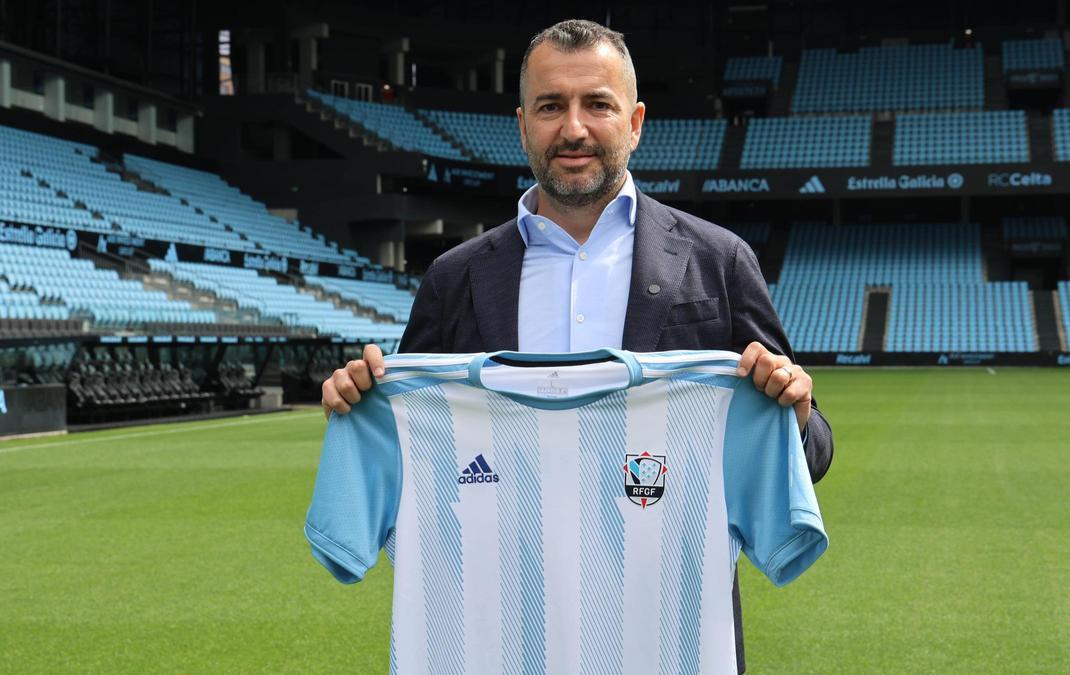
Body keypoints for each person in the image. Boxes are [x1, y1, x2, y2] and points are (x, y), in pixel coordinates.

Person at [320, 19, 833, 672]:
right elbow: (408, 455)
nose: (573, 128)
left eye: (597, 104)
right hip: (501, 644)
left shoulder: (719, 262)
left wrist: (794, 415)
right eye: (550, 106)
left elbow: (811, 453)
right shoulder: (455, 279)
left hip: (664, 640)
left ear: (635, 122)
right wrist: (361, 403)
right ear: (522, 125)